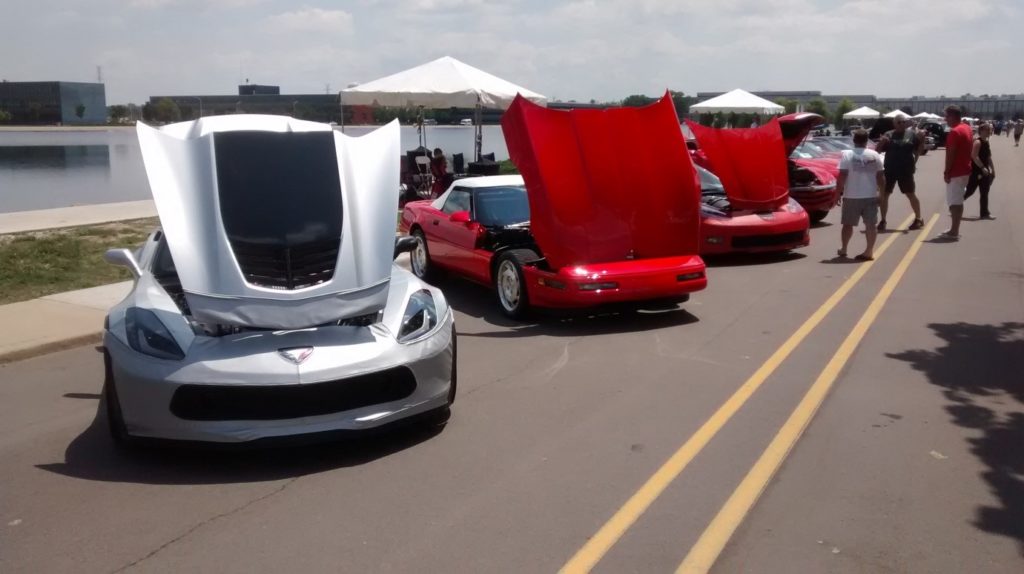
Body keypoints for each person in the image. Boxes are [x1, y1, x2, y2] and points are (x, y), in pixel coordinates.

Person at [835, 129, 883, 260]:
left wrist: (837, 193)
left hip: (852, 196)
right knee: (871, 225)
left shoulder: (847, 155)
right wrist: (882, 194)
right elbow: (880, 177)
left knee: (847, 224)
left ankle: (844, 248)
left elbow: (842, 176)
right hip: (870, 195)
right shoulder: (874, 155)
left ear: (854, 140)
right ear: (867, 140)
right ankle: (869, 251)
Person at [875, 115, 924, 231]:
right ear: (894, 124)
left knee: (910, 194)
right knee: (885, 195)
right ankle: (883, 220)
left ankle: (918, 219)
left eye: (903, 122)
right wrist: (881, 143)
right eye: (899, 122)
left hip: (905, 170)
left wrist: (921, 142)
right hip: (890, 169)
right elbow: (877, 151)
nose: (902, 124)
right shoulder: (888, 134)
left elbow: (918, 151)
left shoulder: (911, 134)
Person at [941, 105, 974, 239]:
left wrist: (946, 172)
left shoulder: (954, 132)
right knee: (958, 200)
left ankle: (954, 231)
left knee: (954, 203)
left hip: (956, 171)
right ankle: (954, 228)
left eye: (947, 116)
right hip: (965, 169)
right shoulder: (967, 128)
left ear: (953, 116)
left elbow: (950, 154)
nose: (945, 119)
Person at [964, 122, 995, 219]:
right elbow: (974, 156)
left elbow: (988, 157)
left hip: (985, 171)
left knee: (985, 192)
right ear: (981, 131)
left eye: (989, 130)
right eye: (987, 130)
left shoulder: (986, 142)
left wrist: (993, 169)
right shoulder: (978, 142)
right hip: (976, 171)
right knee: (970, 190)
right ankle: (956, 205)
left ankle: (984, 213)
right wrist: (982, 167)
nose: (989, 132)